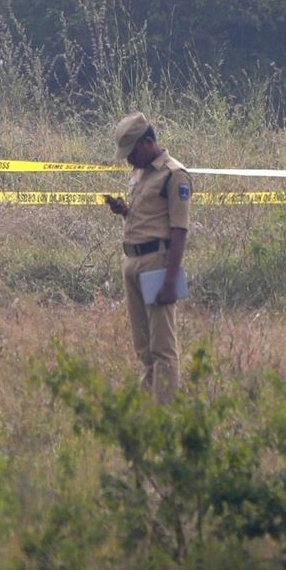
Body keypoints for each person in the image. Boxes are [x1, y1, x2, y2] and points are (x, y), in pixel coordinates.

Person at [104, 112, 192, 403]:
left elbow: (179, 230)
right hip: (132, 261)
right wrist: (124, 211)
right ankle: (146, 407)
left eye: (132, 153)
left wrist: (169, 281)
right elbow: (148, 216)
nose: (129, 160)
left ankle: (163, 413)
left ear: (148, 142)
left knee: (162, 347)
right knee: (143, 346)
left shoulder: (174, 174)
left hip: (157, 263)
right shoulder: (141, 172)